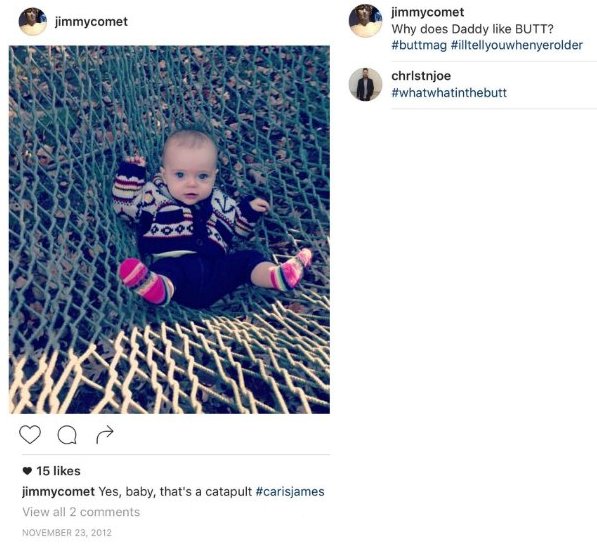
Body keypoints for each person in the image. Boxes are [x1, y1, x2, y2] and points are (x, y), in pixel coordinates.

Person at [113, 128, 312, 309]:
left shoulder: (221, 201)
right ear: (164, 175)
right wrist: (131, 175)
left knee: (247, 259)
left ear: (214, 176)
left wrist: (249, 211)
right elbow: (125, 208)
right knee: (167, 271)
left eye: (202, 177)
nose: (192, 184)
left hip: (215, 270)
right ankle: (159, 289)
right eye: (180, 175)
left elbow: (239, 231)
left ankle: (276, 276)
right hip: (175, 267)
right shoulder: (155, 196)